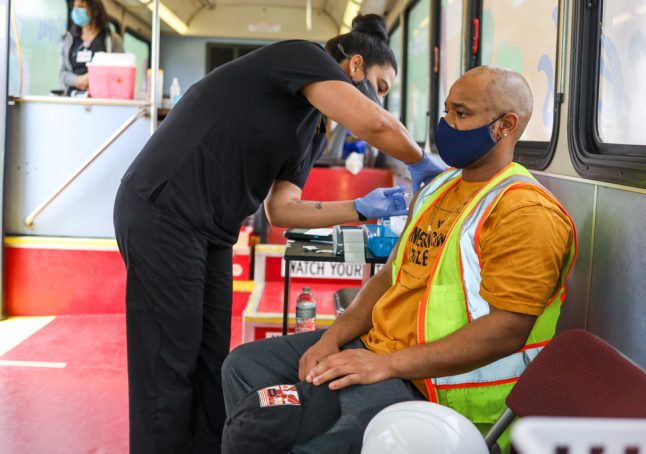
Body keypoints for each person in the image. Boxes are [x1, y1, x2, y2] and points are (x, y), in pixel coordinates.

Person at [113, 13, 445, 454]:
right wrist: (424, 164)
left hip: (212, 231)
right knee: (168, 365)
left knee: (210, 358)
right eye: (380, 88)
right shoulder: (300, 57)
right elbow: (377, 125)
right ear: (355, 67)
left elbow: (281, 210)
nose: (380, 101)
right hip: (164, 209)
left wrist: (362, 208)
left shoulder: (311, 131)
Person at [221, 65, 577, 453]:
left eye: (461, 114)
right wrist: (333, 338)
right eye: (446, 112)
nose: (447, 125)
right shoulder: (438, 189)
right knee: (244, 366)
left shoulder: (525, 212)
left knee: (308, 438)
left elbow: (508, 329)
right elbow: (387, 278)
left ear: (505, 126)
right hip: (377, 348)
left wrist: (387, 365)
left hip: (435, 382)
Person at [59, 0, 124, 96]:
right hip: (73, 97)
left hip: (102, 99)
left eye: (81, 6)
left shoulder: (112, 40)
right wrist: (77, 80)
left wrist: (93, 77)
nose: (76, 11)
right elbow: (62, 74)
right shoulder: (68, 40)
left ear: (95, 10)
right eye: (75, 6)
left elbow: (120, 72)